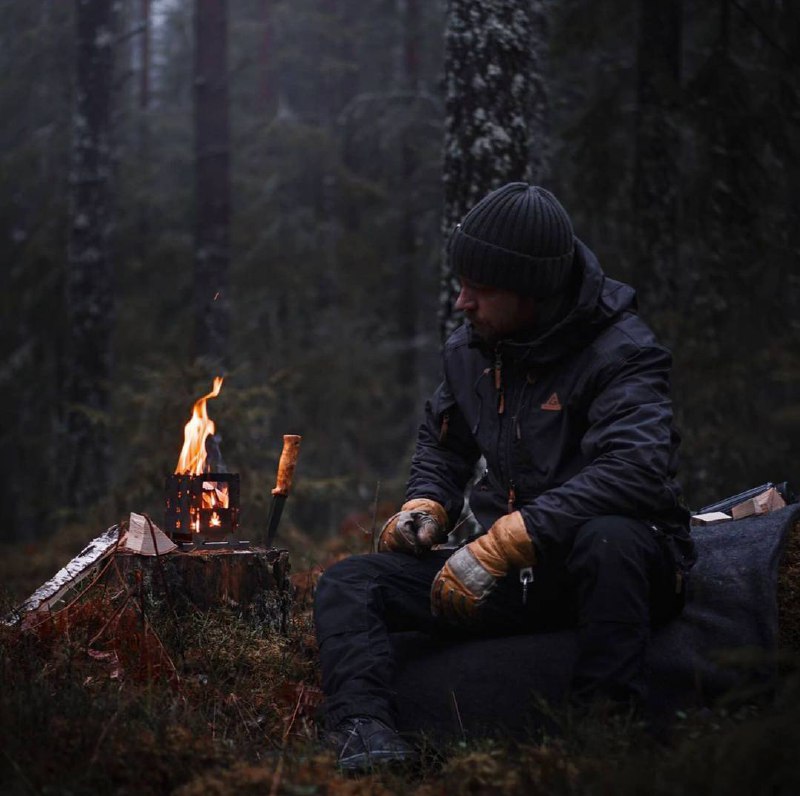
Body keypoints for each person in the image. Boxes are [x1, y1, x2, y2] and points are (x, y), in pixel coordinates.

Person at [314, 182, 696, 772]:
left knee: (611, 540)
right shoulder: (476, 345)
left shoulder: (620, 352)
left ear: (534, 292)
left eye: (481, 289)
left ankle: (604, 740)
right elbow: (444, 441)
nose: (462, 302)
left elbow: (636, 469)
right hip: (510, 574)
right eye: (461, 284)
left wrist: (511, 538)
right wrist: (428, 503)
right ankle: (366, 735)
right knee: (348, 584)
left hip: (611, 570)